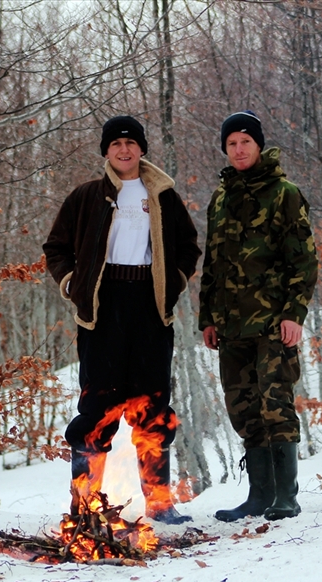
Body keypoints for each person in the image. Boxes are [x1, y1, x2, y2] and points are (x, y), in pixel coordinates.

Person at [43, 115, 201, 525]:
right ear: (106, 151)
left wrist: (175, 283)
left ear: (142, 149)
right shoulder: (87, 196)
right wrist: (72, 284)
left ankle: (161, 504)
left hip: (150, 307)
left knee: (152, 405)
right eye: (116, 144)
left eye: (131, 144)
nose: (124, 150)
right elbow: (55, 247)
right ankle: (85, 507)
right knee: (98, 407)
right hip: (102, 308)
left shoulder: (163, 196)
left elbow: (188, 247)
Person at [198, 110, 318, 522]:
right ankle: (259, 496)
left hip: (272, 323)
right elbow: (212, 263)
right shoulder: (220, 198)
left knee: (276, 403)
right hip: (231, 327)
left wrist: (294, 313)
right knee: (244, 409)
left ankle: (287, 495)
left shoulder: (284, 193)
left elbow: (303, 261)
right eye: (231, 143)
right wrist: (207, 319)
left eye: (245, 141)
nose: (238, 149)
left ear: (259, 145)